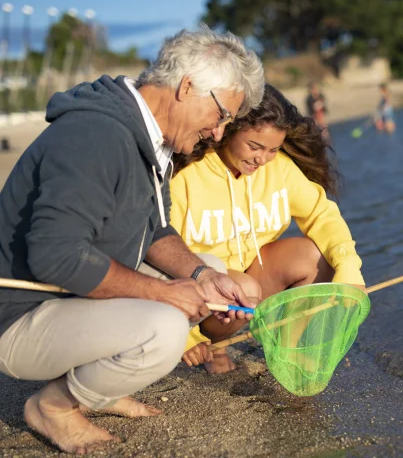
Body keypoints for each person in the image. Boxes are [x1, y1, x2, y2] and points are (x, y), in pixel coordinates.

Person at [0, 26, 264, 454]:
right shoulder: (96, 136)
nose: (219, 133)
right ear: (187, 86)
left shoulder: (149, 139)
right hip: (19, 313)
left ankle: (95, 388)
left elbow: (156, 231)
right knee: (164, 327)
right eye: (221, 116)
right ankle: (54, 406)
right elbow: (55, 255)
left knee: (210, 274)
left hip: (68, 297)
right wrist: (163, 294)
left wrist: (197, 275)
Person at [171, 84, 366, 374]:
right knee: (243, 288)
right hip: (202, 290)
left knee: (316, 255)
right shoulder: (186, 177)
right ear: (226, 130)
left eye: (273, 149)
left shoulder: (280, 169)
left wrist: (349, 269)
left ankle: (285, 346)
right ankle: (214, 345)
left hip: (254, 275)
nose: (262, 159)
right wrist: (188, 337)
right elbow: (165, 254)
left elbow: (322, 214)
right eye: (255, 146)